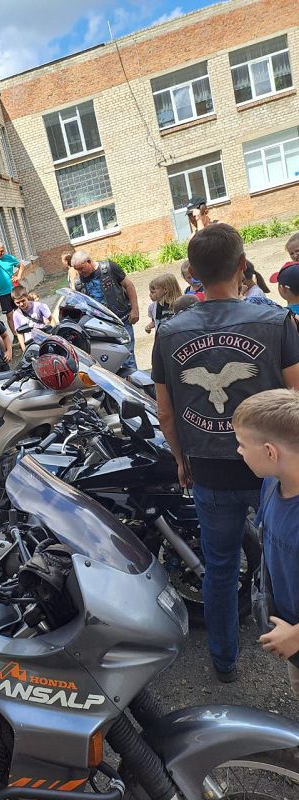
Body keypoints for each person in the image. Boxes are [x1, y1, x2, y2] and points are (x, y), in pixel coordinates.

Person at [152, 223, 299, 682]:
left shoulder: (168, 332)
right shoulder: (276, 322)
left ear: (193, 273)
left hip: (209, 470)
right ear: (242, 266)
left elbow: (166, 413)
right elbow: (296, 398)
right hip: (272, 468)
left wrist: (181, 460)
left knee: (219, 568)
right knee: (285, 555)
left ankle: (224, 661)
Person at [232, 389, 299, 697]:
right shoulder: (272, 484)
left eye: (243, 444)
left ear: (270, 452)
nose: (239, 451)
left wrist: (296, 636)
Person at [69, 251, 140, 374]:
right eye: (77, 270)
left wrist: (135, 309)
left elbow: (129, 285)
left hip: (121, 321)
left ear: (89, 261)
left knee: (127, 357)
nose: (80, 272)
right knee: (110, 361)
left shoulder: (109, 268)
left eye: (81, 268)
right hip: (100, 328)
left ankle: (134, 382)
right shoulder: (78, 283)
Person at [12, 284, 56, 349]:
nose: (21, 304)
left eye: (23, 301)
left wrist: (54, 334)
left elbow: (51, 319)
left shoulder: (38, 306)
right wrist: (24, 349)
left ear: (27, 297)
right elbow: (19, 333)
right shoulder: (16, 314)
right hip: (30, 343)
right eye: (18, 302)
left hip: (44, 338)